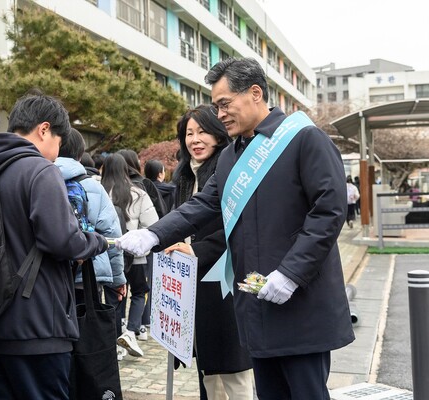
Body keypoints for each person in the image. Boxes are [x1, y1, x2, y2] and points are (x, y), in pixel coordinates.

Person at [115, 57, 354, 400]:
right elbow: (202, 205)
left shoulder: (304, 139)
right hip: (255, 301)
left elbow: (329, 212)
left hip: (299, 302)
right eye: (216, 105)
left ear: (255, 93)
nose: (220, 113)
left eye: (225, 104)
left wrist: (290, 273)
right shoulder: (232, 156)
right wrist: (153, 234)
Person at [0, 94, 108, 399]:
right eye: (58, 140)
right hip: (36, 324)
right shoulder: (39, 170)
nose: (57, 153)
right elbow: (63, 240)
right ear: (44, 130)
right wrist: (96, 242)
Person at [165, 105, 253, 400]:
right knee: (208, 369)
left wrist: (196, 249)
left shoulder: (229, 170)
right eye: (189, 133)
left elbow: (236, 227)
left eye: (202, 131)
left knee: (234, 369)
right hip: (193, 281)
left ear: (217, 134)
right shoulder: (184, 177)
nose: (195, 139)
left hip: (224, 279)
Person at [54, 128, 126, 303]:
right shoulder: (93, 186)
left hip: (50, 275)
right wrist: (117, 279)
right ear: (80, 155)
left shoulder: (38, 179)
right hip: (87, 276)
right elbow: (111, 235)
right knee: (86, 326)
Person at [101, 153, 158, 359]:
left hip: (107, 254)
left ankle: (116, 340)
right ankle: (131, 331)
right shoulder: (138, 193)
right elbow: (152, 225)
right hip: (135, 256)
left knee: (113, 297)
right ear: (126, 170)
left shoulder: (99, 192)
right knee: (139, 291)